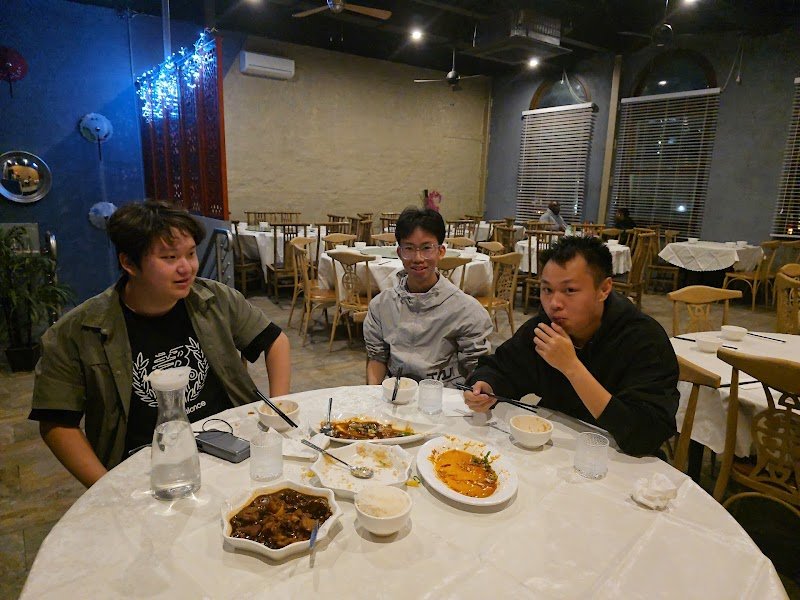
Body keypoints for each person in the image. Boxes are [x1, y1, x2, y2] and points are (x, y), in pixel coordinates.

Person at [29, 200, 291, 487]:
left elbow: (275, 342)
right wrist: (107, 488)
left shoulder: (215, 299)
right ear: (129, 263)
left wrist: (275, 414)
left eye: (190, 254)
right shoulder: (77, 331)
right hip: (146, 465)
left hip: (231, 445)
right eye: (169, 258)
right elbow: (57, 423)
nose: (186, 268)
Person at [464, 236, 678, 456]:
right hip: (558, 451)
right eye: (547, 290)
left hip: (621, 460)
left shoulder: (643, 339)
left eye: (570, 290)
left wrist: (571, 367)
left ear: (604, 289)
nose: (554, 303)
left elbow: (645, 436)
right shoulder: (544, 328)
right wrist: (486, 386)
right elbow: (502, 367)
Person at [364, 207, 493, 385]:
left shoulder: (467, 310)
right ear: (399, 253)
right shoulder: (381, 305)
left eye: (426, 248)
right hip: (397, 394)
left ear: (441, 251)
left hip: (445, 396)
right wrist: (373, 394)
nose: (418, 258)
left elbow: (477, 368)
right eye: (409, 248)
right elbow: (377, 358)